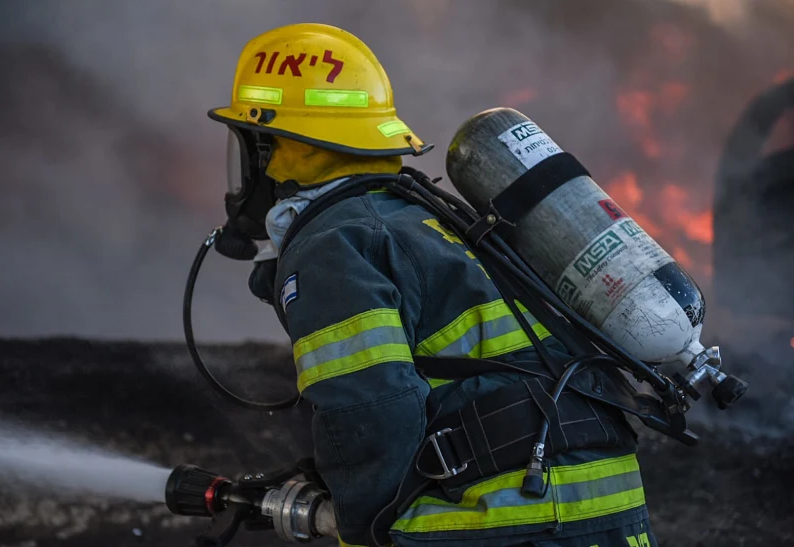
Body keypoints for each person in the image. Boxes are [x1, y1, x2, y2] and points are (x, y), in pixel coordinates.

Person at [208, 22, 657, 547]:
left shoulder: (334, 243)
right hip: (609, 505)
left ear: (269, 151)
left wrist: (357, 525)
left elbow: (369, 410)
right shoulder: (429, 217)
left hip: (501, 520)